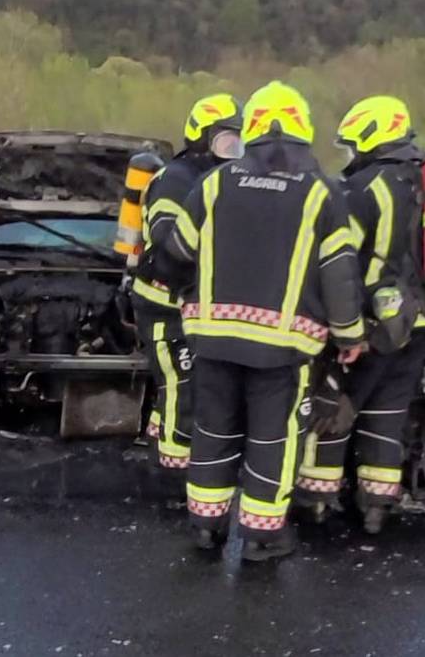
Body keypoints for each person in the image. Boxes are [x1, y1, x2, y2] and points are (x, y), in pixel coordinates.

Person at [152, 81, 366, 561]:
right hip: (282, 349)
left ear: (251, 131)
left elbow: (176, 251)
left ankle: (205, 526)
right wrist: (350, 333)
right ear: (303, 131)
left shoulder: (214, 183)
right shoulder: (321, 193)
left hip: (212, 338)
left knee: (214, 431)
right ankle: (262, 538)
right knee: (274, 438)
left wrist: (187, 291)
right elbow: (340, 273)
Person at [297, 96, 425, 534]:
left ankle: (316, 502)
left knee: (332, 408)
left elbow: (338, 260)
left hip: (369, 326)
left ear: (370, 139)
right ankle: (377, 508)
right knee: (387, 413)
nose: (349, 156)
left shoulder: (361, 190)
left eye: (351, 145)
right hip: (422, 323)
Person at [131, 94, 243, 469]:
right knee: (182, 385)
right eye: (227, 140)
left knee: (177, 388)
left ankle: (160, 446)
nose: (235, 150)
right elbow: (168, 242)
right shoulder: (176, 180)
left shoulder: (215, 178)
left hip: (189, 303)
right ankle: (176, 468)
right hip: (163, 303)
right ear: (201, 137)